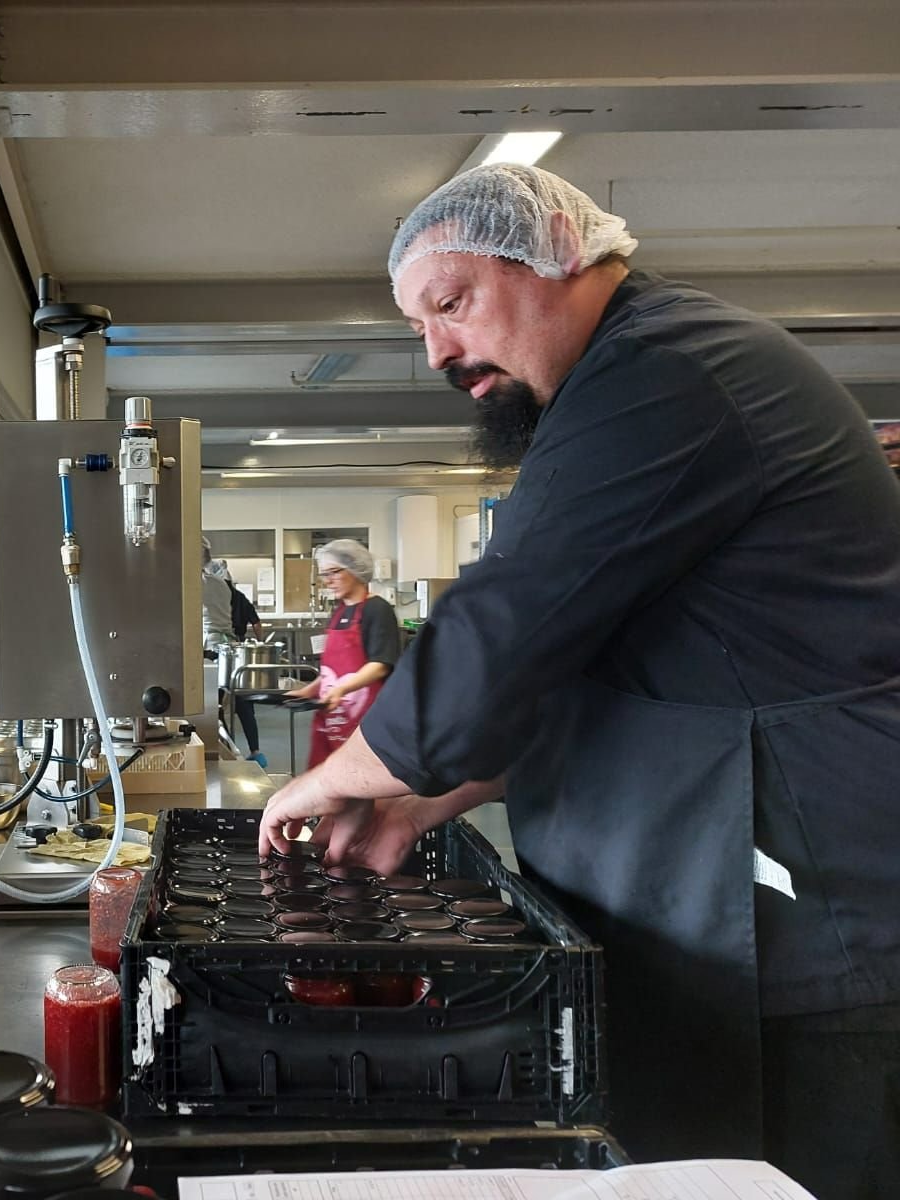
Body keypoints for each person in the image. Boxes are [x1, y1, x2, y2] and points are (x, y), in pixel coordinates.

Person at [257, 164, 900, 1198]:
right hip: (690, 889)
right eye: (418, 325)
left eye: (450, 302)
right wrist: (425, 798)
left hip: (802, 918)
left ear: (556, 245)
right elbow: (588, 665)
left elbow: (510, 619)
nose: (436, 350)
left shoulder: (671, 374)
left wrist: (339, 775)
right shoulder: (615, 394)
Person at [284, 539, 400, 770]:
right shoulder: (340, 610)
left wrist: (342, 690)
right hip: (332, 716)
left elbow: (380, 664)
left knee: (363, 780)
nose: (327, 581)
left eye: (333, 573)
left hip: (365, 718)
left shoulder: (377, 609)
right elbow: (334, 671)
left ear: (355, 570)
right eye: (324, 574)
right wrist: (311, 689)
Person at [201, 539, 265, 766]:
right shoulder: (222, 586)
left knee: (212, 709)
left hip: (208, 651)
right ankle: (255, 750)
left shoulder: (192, 585)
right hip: (230, 652)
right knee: (241, 701)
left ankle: (226, 755)